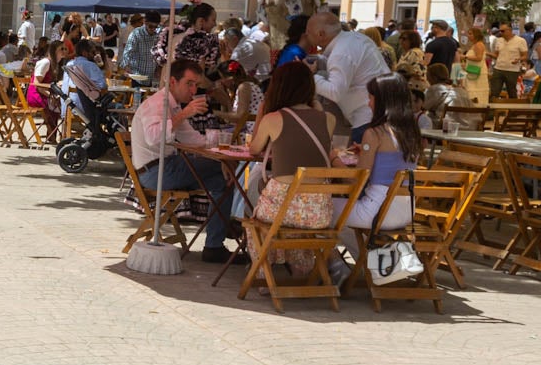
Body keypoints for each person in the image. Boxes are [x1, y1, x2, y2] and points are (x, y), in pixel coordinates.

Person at [129, 59, 237, 264]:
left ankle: (215, 244)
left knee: (222, 180)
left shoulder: (173, 106)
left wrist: (221, 151)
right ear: (172, 82)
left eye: (196, 84)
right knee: (221, 169)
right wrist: (186, 114)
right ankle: (227, 228)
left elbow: (193, 139)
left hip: (165, 169)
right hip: (155, 172)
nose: (193, 89)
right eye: (189, 83)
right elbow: (154, 136)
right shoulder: (158, 103)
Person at [244, 61, 336, 275]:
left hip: (283, 210)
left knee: (254, 221)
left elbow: (254, 149)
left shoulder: (274, 118)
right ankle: (301, 270)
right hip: (319, 213)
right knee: (294, 226)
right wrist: (315, 104)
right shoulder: (328, 119)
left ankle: (263, 274)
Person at [332, 75, 421, 280]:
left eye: (371, 97)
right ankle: (375, 265)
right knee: (338, 214)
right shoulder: (412, 132)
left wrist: (334, 158)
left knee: (321, 209)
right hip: (407, 209)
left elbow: (356, 181)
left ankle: (353, 265)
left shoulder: (374, 133)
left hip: (378, 209)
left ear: (382, 101)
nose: (368, 103)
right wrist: (365, 152)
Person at [309, 10, 391, 142]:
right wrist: (319, 64)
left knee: (364, 161)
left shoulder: (341, 53)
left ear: (320, 34)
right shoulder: (356, 39)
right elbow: (347, 68)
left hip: (367, 117)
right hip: (380, 112)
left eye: (308, 32)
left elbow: (335, 92)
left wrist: (311, 76)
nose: (307, 35)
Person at [153, 0, 219, 71]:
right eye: (213, 20)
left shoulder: (174, 37)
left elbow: (164, 74)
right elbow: (198, 77)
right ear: (201, 21)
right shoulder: (200, 43)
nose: (215, 24)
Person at [490, 22, 529, 101]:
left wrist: (519, 59)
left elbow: (525, 56)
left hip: (512, 70)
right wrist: (487, 53)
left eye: (503, 31)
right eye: (500, 31)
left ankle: (513, 111)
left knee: (512, 92)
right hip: (499, 68)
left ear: (510, 30)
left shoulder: (520, 40)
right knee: (494, 92)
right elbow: (496, 55)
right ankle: (492, 112)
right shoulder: (499, 40)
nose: (501, 33)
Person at [120, 10, 161, 85]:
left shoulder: (157, 35)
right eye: (151, 26)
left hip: (150, 77)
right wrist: (126, 66)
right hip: (136, 77)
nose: (153, 29)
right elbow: (127, 52)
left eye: (155, 27)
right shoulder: (136, 34)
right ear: (145, 23)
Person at [460, 27, 490, 105]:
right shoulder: (474, 45)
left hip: (477, 72)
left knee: (475, 91)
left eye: (470, 34)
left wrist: (465, 57)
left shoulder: (479, 45)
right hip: (471, 71)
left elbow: (479, 57)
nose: (468, 36)